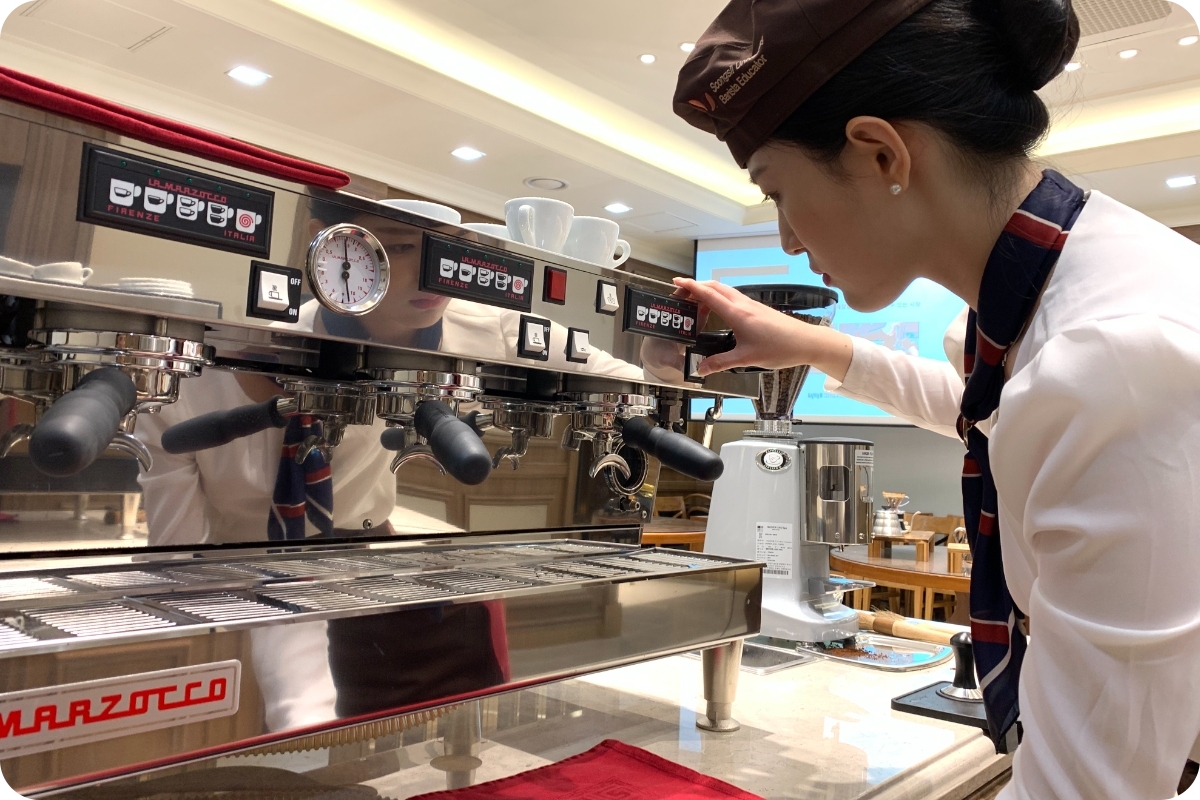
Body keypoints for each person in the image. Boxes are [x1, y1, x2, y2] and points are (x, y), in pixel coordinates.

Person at [671, 1, 1200, 798]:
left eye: (776, 191)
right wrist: (811, 344)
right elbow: (989, 410)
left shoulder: (1114, 359)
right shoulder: (1056, 286)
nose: (785, 238)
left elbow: (1087, 789)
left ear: (881, 154)